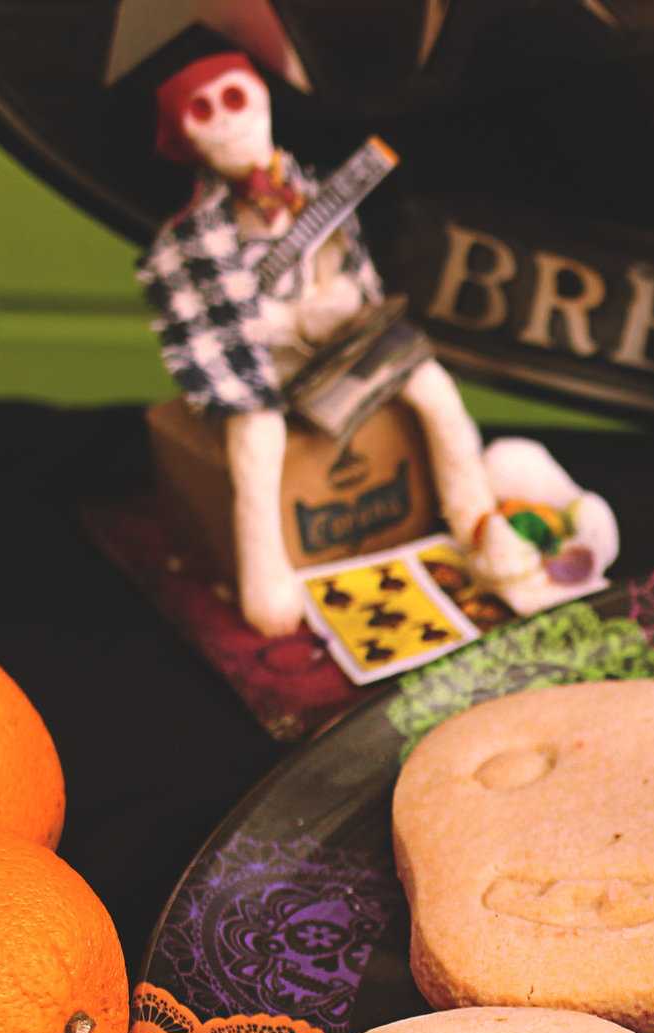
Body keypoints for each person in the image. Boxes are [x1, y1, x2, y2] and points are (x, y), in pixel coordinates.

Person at [136, 51, 540, 636]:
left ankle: (475, 519)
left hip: (341, 348)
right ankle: (265, 571)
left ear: (263, 99)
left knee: (432, 386)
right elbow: (202, 335)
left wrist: (342, 302)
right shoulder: (190, 239)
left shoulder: (320, 194)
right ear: (184, 134)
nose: (227, 121)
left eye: (235, 98)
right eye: (203, 110)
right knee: (255, 441)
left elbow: (355, 274)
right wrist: (272, 326)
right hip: (264, 372)